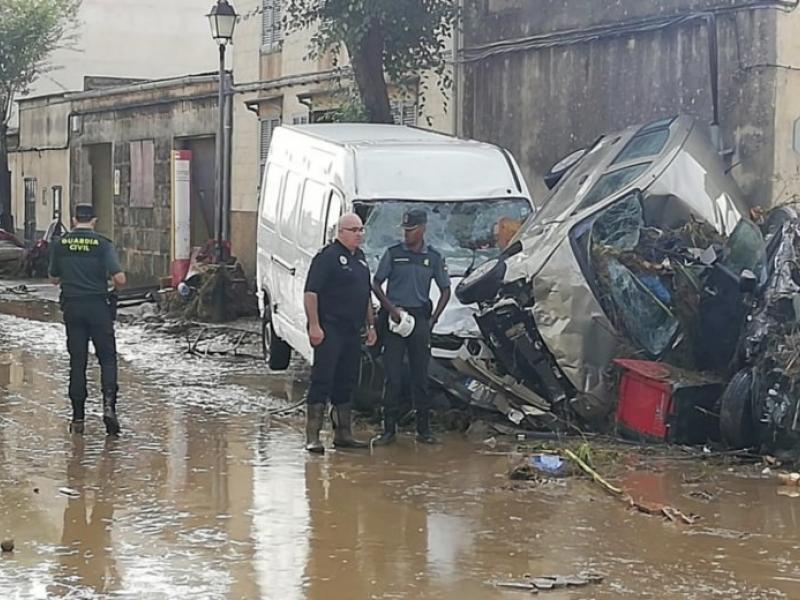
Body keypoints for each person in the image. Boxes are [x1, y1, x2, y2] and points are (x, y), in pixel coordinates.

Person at [372, 208, 451, 445]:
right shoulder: (393, 254)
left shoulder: (434, 257)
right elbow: (376, 283)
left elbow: (446, 290)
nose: (407, 235)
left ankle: (423, 430)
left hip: (419, 319)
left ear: (423, 228)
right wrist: (391, 309)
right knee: (393, 376)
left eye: (412, 230)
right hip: (395, 319)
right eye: (405, 230)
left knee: (420, 376)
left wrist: (433, 319)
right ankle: (388, 430)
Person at [49, 204, 126, 436]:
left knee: (77, 362)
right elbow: (120, 278)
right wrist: (112, 288)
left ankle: (78, 417)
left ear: (74, 220)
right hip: (98, 307)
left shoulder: (60, 244)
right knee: (107, 359)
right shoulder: (103, 244)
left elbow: (53, 279)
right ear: (94, 220)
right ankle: (109, 407)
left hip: (72, 307)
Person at [303, 213, 377, 453]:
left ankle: (343, 433)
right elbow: (311, 293)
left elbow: (365, 294)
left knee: (346, 381)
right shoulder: (327, 258)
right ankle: (312, 435)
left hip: (352, 330)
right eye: (354, 230)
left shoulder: (361, 259)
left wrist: (371, 326)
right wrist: (314, 325)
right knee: (322, 379)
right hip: (330, 328)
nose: (359, 234)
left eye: (361, 230)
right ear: (341, 232)